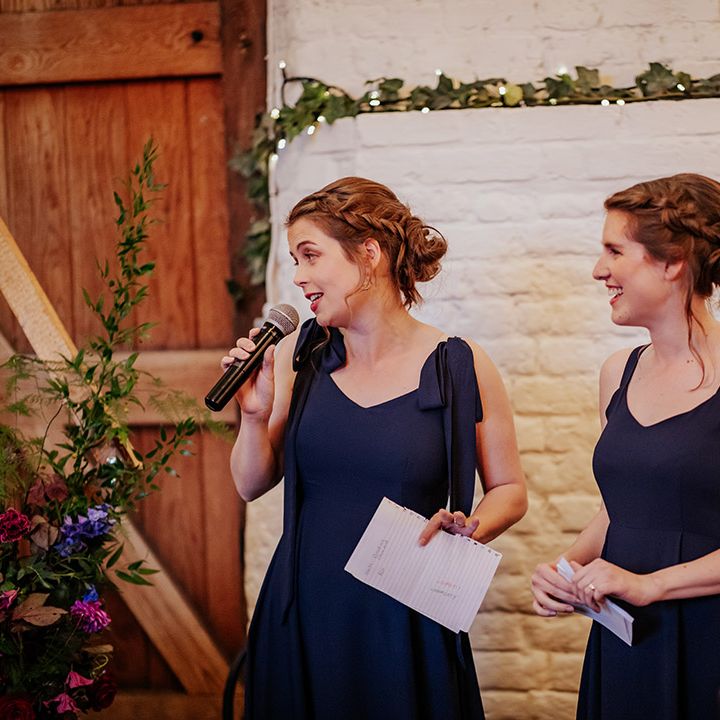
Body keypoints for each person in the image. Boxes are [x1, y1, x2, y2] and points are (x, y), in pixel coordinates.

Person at [223, 177, 527, 719]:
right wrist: (252, 414)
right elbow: (250, 485)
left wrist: (470, 527)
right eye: (294, 260)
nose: (298, 277)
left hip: (405, 615)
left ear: (369, 253)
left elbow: (509, 489)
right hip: (303, 610)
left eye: (310, 255)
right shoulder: (297, 356)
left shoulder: (460, 364)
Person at [530, 173, 720, 719]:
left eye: (615, 251)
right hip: (627, 637)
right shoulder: (619, 372)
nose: (598, 270)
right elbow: (620, 508)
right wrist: (566, 568)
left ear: (673, 262)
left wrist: (650, 585)